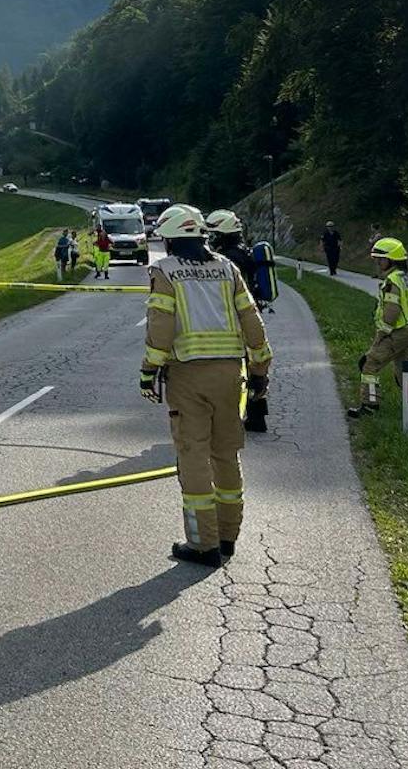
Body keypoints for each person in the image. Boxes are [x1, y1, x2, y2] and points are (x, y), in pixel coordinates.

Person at [141, 204, 274, 568]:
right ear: (201, 235)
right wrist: (261, 367)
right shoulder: (227, 268)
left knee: (194, 455)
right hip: (231, 374)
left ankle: (203, 545)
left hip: (187, 375)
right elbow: (252, 319)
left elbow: (161, 326)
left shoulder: (165, 271)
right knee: (226, 454)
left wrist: (148, 370)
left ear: (169, 240)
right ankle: (228, 536)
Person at [205, 209, 271, 433]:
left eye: (213, 233)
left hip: (236, 318)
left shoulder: (229, 259)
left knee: (235, 367)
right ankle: (257, 415)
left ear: (223, 233)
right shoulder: (244, 252)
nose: (210, 238)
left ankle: (234, 416)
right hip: (250, 313)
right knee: (254, 365)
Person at [347, 237, 408, 418]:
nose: (378, 263)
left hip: (397, 332)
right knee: (405, 371)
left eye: (381, 259)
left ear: (392, 259)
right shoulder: (404, 278)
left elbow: (392, 310)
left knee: (370, 364)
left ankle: (370, 405)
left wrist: (382, 334)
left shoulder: (392, 281)